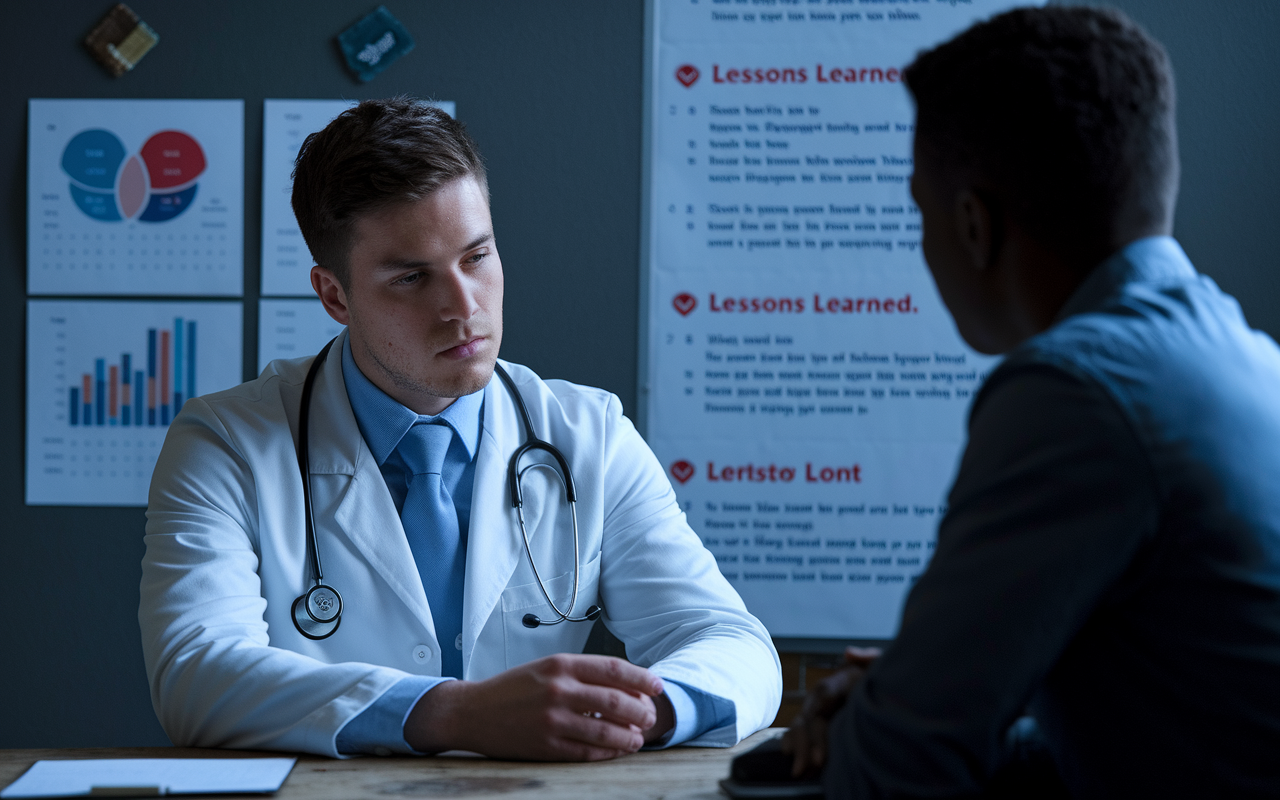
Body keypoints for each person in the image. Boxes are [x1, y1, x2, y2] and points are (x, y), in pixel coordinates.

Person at [139, 98, 780, 760]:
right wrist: (457, 715)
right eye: (412, 277)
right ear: (335, 296)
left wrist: (637, 710)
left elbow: (727, 640)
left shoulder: (590, 435)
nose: (463, 307)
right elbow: (196, 674)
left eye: (476, 257)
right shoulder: (224, 443)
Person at [781, 6, 1280, 798]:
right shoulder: (1242, 356)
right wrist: (908, 699)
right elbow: (1172, 738)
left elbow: (898, 771)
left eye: (920, 210)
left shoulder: (1075, 393)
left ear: (975, 226)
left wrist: (887, 716)